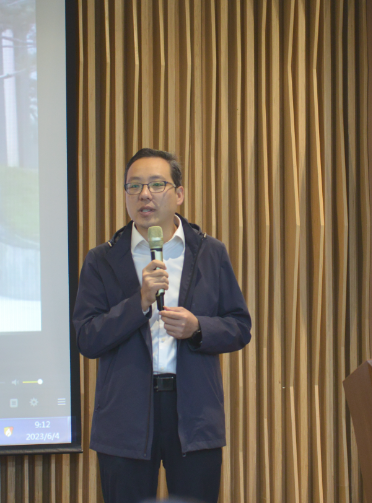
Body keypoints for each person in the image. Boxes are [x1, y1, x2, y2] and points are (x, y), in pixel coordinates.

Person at [72, 148, 252, 503]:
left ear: (179, 193)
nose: (144, 195)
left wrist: (197, 328)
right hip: (125, 416)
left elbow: (239, 326)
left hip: (194, 414)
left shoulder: (209, 252)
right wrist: (138, 303)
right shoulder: (102, 259)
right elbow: (86, 338)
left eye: (156, 185)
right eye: (134, 186)